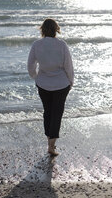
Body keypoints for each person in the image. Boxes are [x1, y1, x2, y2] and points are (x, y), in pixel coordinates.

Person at [27, 18, 74, 156]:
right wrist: (70, 81)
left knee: (48, 112)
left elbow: (30, 65)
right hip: (61, 84)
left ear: (42, 29)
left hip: (43, 83)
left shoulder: (37, 44)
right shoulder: (61, 45)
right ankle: (51, 146)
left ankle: (49, 140)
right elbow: (68, 66)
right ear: (56, 29)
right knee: (57, 113)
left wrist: (36, 77)